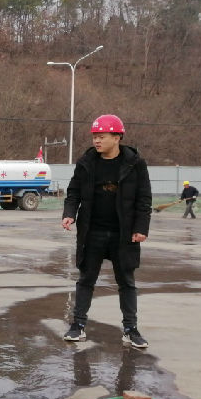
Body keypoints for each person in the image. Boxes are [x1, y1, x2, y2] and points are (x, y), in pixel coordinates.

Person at [61, 114, 152, 349]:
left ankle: (130, 329)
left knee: (127, 282)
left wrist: (141, 228)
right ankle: (78, 325)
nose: (97, 141)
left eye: (101, 136)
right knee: (86, 280)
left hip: (124, 234)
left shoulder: (135, 164)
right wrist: (69, 213)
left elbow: (144, 199)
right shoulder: (86, 162)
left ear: (117, 137)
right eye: (94, 136)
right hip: (92, 232)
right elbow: (73, 192)